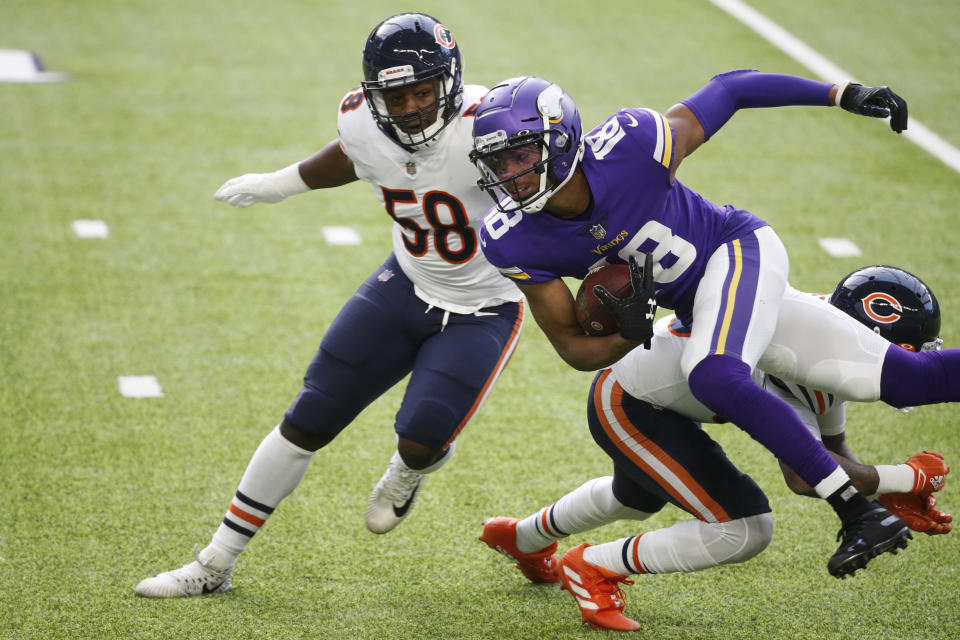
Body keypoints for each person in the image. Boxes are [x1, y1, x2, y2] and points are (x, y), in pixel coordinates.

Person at [469, 74, 960, 583]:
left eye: (521, 155)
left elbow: (731, 90)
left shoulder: (630, 146)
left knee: (714, 375)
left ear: (562, 138)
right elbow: (572, 346)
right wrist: (627, 334)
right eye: (497, 162)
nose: (511, 174)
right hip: (699, 312)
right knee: (910, 378)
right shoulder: (515, 238)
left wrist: (840, 93)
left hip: (737, 248)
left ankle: (858, 514)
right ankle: (862, 511)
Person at [134, 13, 525, 598]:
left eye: (424, 91)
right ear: (375, 96)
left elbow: (562, 193)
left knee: (421, 439)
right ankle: (215, 562)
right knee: (308, 417)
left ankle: (407, 471)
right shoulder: (363, 123)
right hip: (405, 283)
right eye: (397, 95)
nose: (413, 107)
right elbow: (351, 157)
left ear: (450, 81)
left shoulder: (495, 122)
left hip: (486, 304)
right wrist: (279, 182)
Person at [479, 266, 951, 631]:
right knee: (745, 527)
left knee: (637, 496)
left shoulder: (825, 338)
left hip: (648, 396)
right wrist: (905, 477)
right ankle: (591, 567)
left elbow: (833, 451)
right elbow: (808, 475)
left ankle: (521, 537)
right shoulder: (808, 360)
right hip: (629, 402)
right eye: (902, 353)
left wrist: (886, 490)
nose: (899, 366)